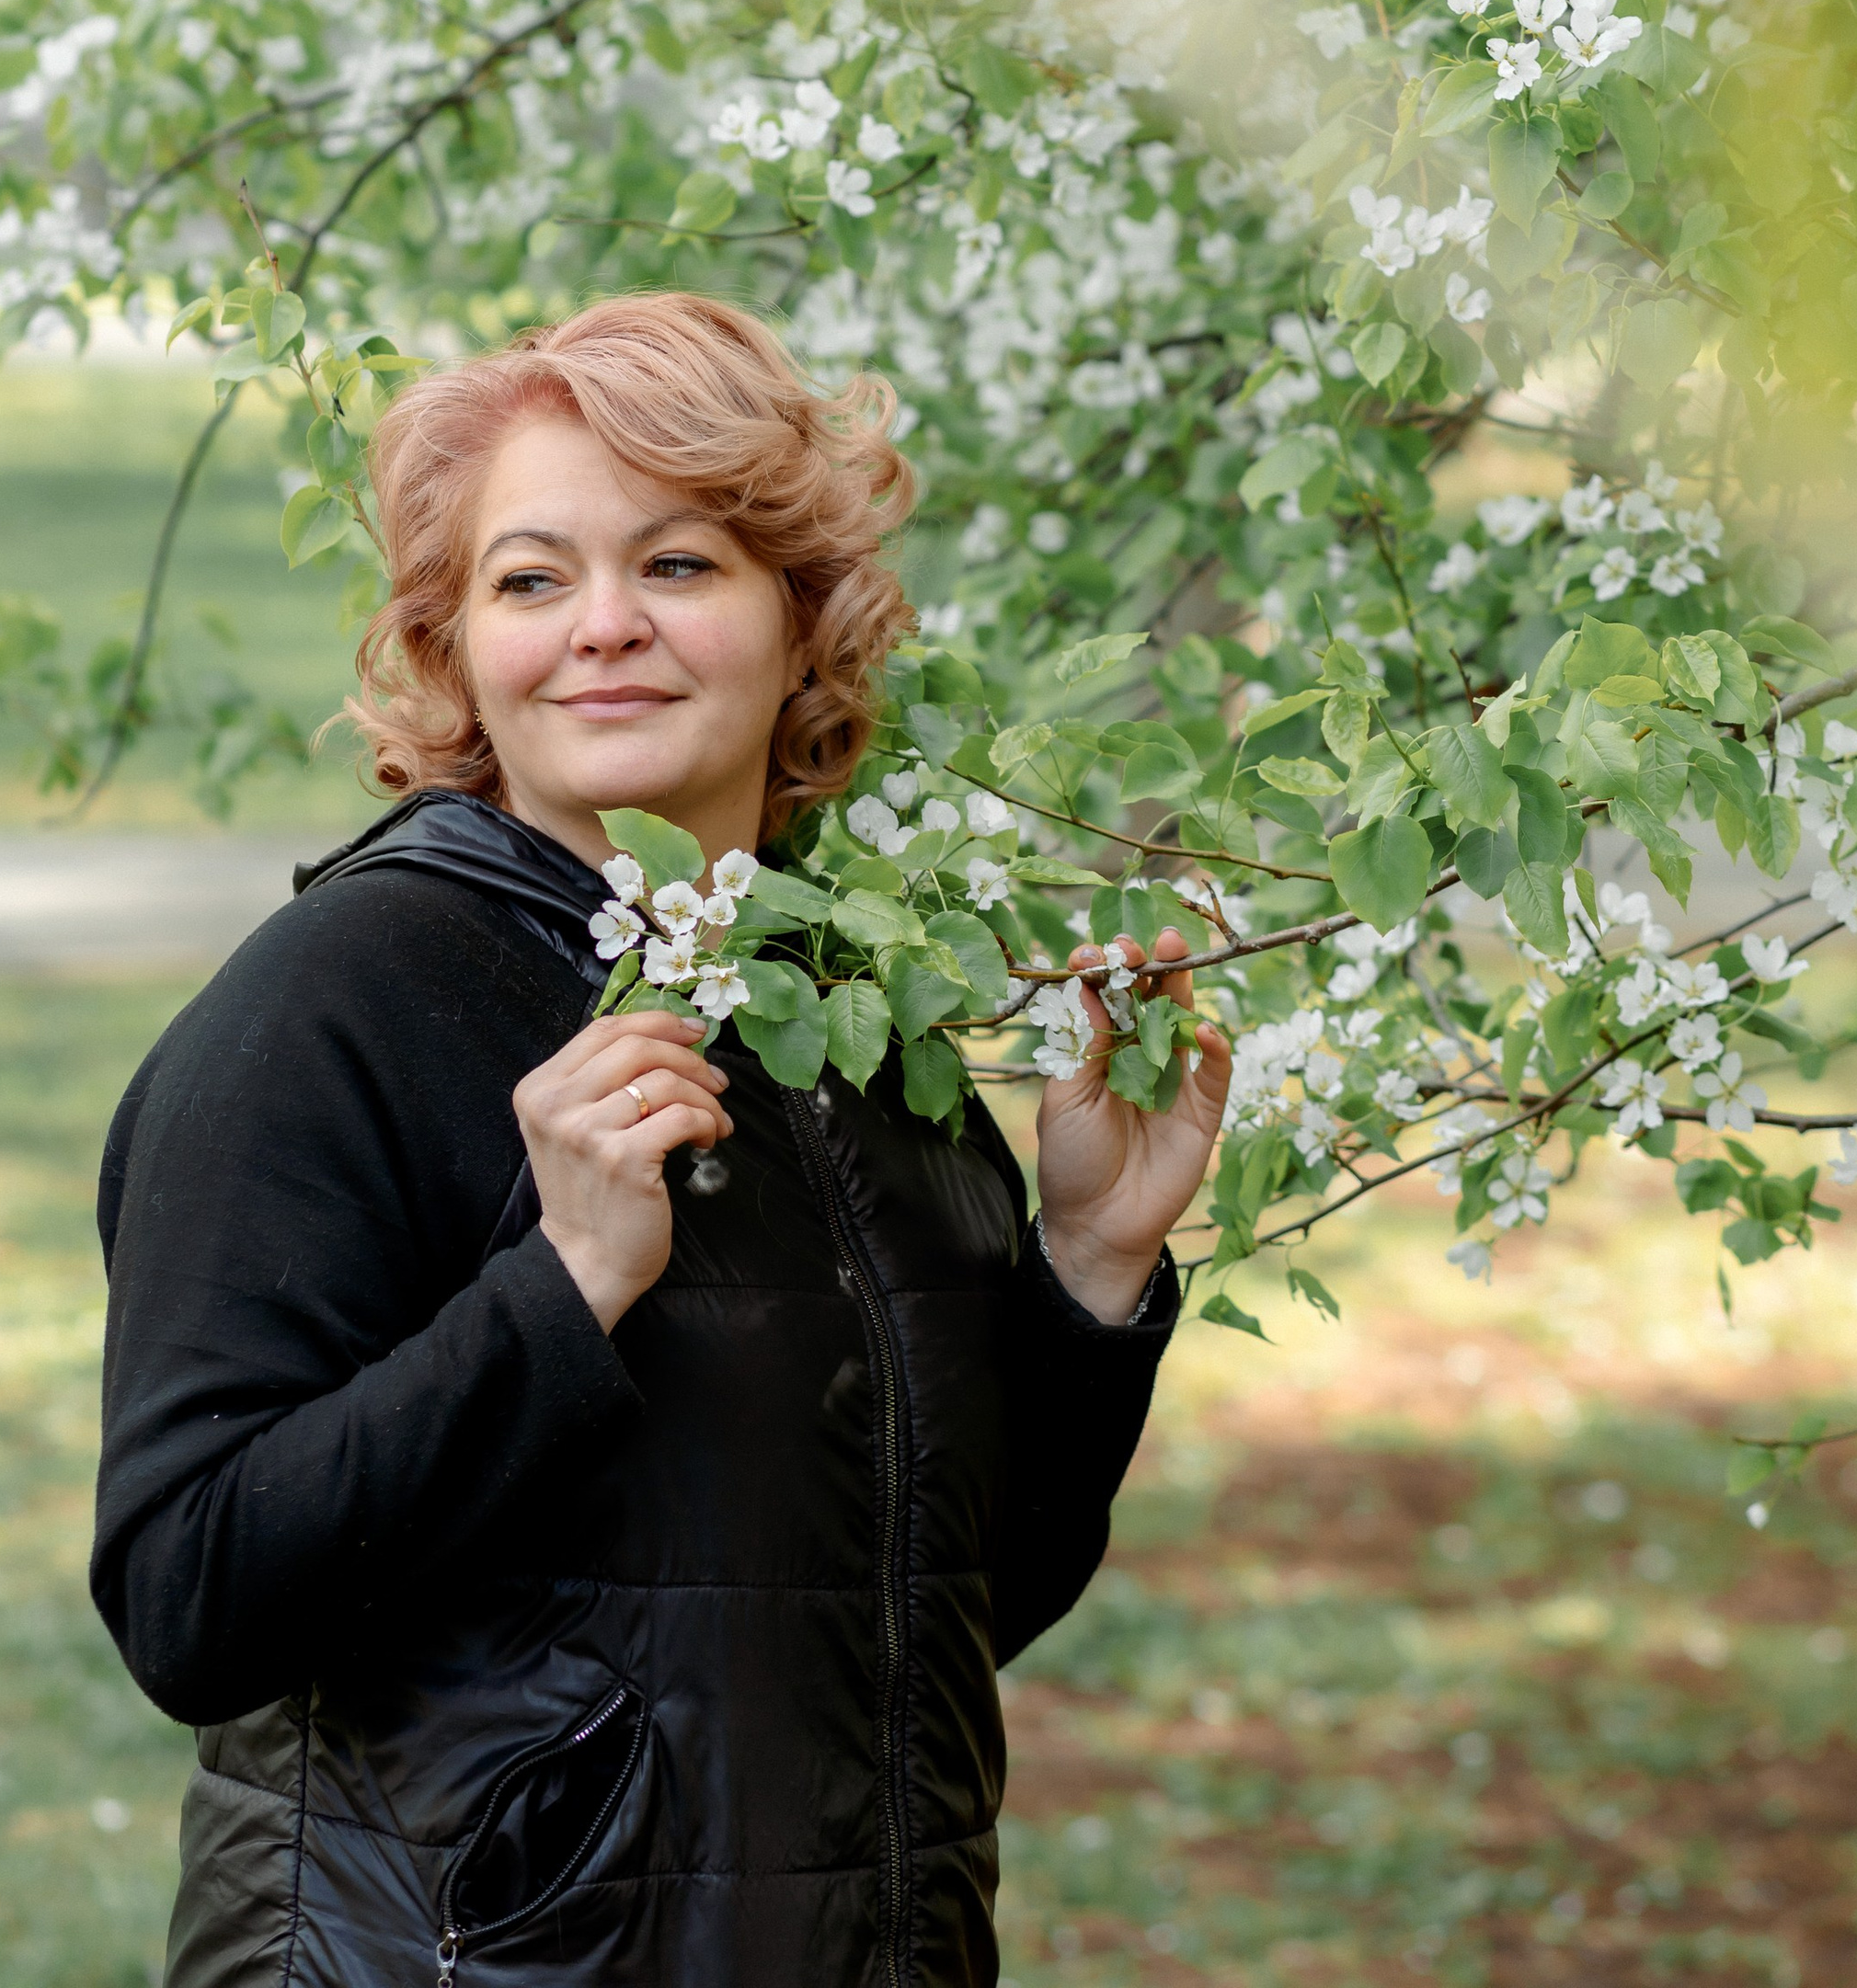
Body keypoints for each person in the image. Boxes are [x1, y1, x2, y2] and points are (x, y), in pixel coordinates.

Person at [93, 290, 1231, 1987]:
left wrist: (1085, 1266)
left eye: (678, 564)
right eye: (530, 581)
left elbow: (929, 1611)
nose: (604, 627)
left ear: (803, 619)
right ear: (455, 650)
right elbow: (191, 1601)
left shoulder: (841, 1012)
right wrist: (561, 1291)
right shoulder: (342, 1003)